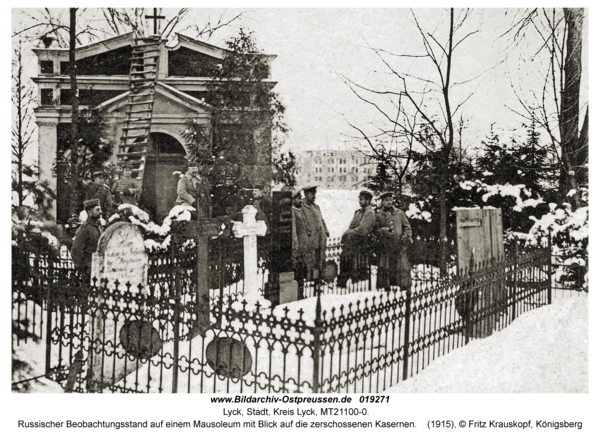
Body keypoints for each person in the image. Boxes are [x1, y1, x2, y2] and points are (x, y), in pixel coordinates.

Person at [337, 190, 376, 288]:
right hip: (354, 241)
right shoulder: (358, 212)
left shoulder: (369, 213)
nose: (360, 201)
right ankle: (343, 281)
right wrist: (347, 233)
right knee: (346, 259)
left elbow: (363, 229)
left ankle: (352, 281)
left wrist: (349, 233)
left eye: (362, 199)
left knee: (355, 263)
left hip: (362, 242)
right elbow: (352, 225)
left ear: (368, 200)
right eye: (359, 199)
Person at [374, 192, 413, 291]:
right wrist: (384, 231)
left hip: (398, 243)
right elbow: (375, 230)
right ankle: (385, 285)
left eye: (391, 200)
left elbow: (407, 227)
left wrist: (405, 236)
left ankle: (403, 284)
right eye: (387, 200)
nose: (389, 202)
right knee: (386, 264)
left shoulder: (399, 213)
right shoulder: (378, 215)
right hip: (386, 244)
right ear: (382, 202)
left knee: (401, 264)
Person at [71, 198, 104, 284]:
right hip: (89, 269)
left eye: (100, 209)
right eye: (97, 210)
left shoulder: (98, 226)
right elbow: (76, 250)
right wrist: (83, 268)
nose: (101, 212)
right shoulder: (84, 229)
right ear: (89, 213)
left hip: (100, 266)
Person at [300, 185, 329, 281]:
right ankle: (309, 279)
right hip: (310, 239)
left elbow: (322, 220)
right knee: (310, 260)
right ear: (306, 194)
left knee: (320, 258)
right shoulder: (301, 207)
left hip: (320, 237)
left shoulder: (316, 207)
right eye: (312, 194)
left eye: (315, 194)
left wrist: (325, 230)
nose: (314, 196)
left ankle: (319, 278)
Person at [291, 189, 309, 298]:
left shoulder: (298, 210)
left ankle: (300, 293)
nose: (300, 200)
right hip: (298, 247)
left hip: (303, 246)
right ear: (293, 200)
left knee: (302, 270)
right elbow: (293, 229)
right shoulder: (292, 211)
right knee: (297, 270)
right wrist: (295, 242)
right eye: (298, 198)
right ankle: (298, 294)